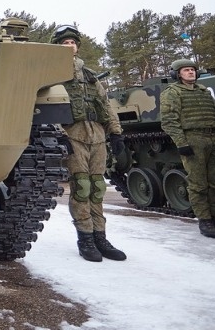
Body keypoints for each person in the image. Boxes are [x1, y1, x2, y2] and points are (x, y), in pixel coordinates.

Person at [52, 25, 127, 262]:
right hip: (72, 133)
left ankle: (100, 237)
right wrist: (58, 134)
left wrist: (115, 133)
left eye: (72, 42)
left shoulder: (90, 75)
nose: (69, 46)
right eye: (64, 43)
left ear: (77, 46)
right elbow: (45, 107)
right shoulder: (52, 73)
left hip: (96, 134)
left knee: (97, 187)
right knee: (81, 186)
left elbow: (105, 105)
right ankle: (85, 238)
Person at [160, 59, 215, 239]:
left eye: (193, 70)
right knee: (198, 183)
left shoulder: (203, 92)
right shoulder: (172, 93)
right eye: (186, 70)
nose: (191, 72)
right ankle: (205, 220)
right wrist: (181, 143)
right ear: (177, 74)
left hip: (213, 138)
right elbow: (169, 121)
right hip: (193, 139)